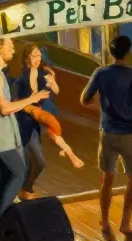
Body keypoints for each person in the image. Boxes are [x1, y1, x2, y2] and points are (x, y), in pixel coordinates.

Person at [0, 37, 50, 236]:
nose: (14, 51)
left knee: (7, 176)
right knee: (18, 173)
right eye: (10, 47)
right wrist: (32, 99)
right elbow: (5, 108)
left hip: (1, 136)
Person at [80, 35, 132, 235]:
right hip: (129, 133)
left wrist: (103, 107)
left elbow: (84, 99)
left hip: (107, 132)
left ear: (111, 52)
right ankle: (125, 223)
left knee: (107, 178)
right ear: (128, 52)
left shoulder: (100, 73)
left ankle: (104, 222)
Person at [12, 43, 84, 201]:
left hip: (43, 113)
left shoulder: (44, 73)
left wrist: (53, 82)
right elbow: (16, 103)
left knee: (52, 137)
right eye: (34, 55)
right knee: (37, 160)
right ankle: (24, 189)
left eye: (39, 55)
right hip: (26, 121)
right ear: (26, 58)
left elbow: (56, 91)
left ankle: (26, 188)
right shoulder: (19, 81)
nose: (38, 59)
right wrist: (30, 105)